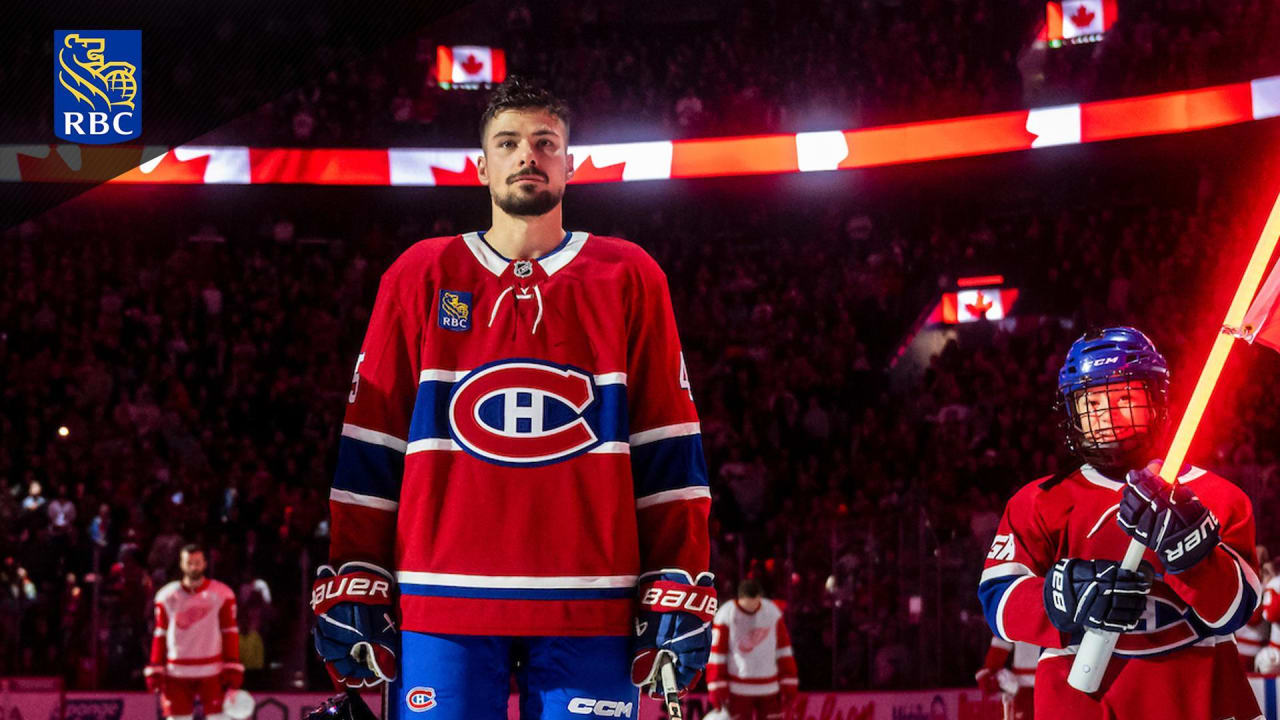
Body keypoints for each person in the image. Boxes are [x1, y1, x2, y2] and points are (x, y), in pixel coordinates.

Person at [311, 76, 713, 720]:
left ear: (570, 164)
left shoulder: (629, 276)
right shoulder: (420, 275)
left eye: (545, 142)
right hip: (443, 600)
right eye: (509, 142)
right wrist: (354, 570)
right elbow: (371, 445)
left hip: (595, 601)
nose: (529, 155)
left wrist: (679, 575)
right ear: (482, 165)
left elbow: (670, 446)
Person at [978, 327, 1262, 719]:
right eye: (1091, 403)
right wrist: (1059, 597)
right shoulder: (1038, 502)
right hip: (1080, 706)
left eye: (1124, 397)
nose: (1106, 416)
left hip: (1199, 702)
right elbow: (997, 598)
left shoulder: (1217, 497)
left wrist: (1195, 560)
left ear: (1156, 401)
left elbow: (1238, 609)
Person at [146, 544, 243, 720]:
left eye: (197, 562)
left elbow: (230, 631)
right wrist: (156, 665)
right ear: (181, 564)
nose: (193, 567)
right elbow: (160, 633)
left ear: (205, 563)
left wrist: (232, 665)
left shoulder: (221, 594)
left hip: (212, 670)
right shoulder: (166, 596)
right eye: (189, 562)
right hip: (176, 671)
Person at [705, 580, 798, 720]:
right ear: (740, 599)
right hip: (737, 689)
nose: (752, 608)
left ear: (760, 597)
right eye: (748, 604)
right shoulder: (726, 614)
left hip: (769, 688)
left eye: (756, 603)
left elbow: (783, 650)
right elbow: (717, 654)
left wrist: (789, 681)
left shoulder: (772, 612)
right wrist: (716, 686)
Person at [974, 635, 1036, 720]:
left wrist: (990, 669)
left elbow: (1002, 639)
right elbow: (1002, 640)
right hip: (1025, 686)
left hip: (1048, 680)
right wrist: (990, 668)